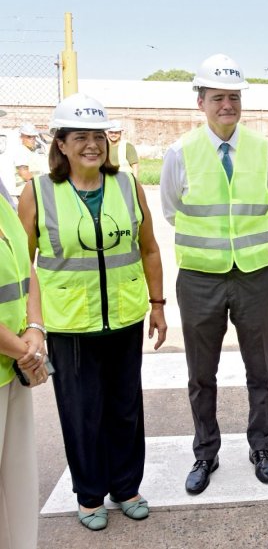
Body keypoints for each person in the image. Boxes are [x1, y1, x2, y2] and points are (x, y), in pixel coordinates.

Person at [17, 93, 167, 531]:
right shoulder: (38, 192)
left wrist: (157, 306)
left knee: (125, 408)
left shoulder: (127, 185)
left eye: (98, 136)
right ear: (60, 144)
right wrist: (32, 325)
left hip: (123, 319)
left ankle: (126, 487)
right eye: (80, 136)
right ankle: (88, 494)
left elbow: (150, 249)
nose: (91, 145)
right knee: (82, 413)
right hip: (70, 325)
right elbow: (22, 265)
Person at [160, 53, 268, 494]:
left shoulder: (264, 150)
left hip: (254, 274)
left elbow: (267, 201)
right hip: (200, 277)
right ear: (201, 102)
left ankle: (261, 447)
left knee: (260, 368)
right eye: (217, 97)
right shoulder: (180, 153)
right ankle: (205, 453)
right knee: (200, 373)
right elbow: (171, 210)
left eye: (233, 97)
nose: (227, 105)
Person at [0, 171, 49, 549]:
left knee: (17, 492)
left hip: (11, 370)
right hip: (14, 357)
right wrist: (25, 351)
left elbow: (24, 264)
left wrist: (34, 328)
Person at [12, 124, 49, 199]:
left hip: (33, 189)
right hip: (26, 192)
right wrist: (41, 184)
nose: (32, 139)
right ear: (21, 137)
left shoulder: (31, 151)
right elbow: (24, 173)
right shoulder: (21, 151)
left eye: (34, 137)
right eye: (29, 137)